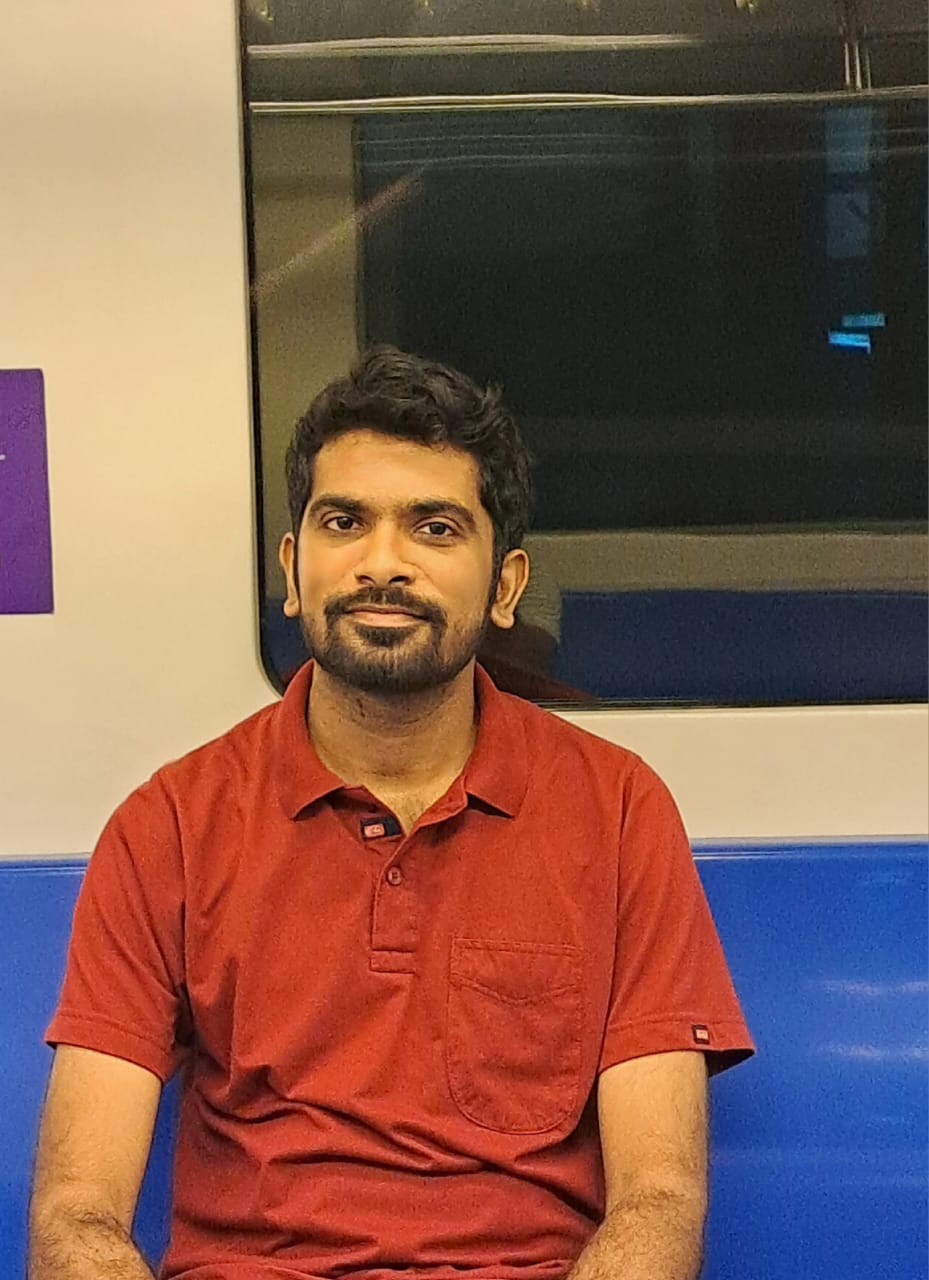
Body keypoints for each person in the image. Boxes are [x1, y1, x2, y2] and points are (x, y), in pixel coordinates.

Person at [30, 347, 754, 1280]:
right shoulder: (168, 825)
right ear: (293, 568)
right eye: (344, 522)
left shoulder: (616, 811)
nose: (383, 563)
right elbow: (76, 1216)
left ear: (504, 586)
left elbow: (659, 1200)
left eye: (434, 529)